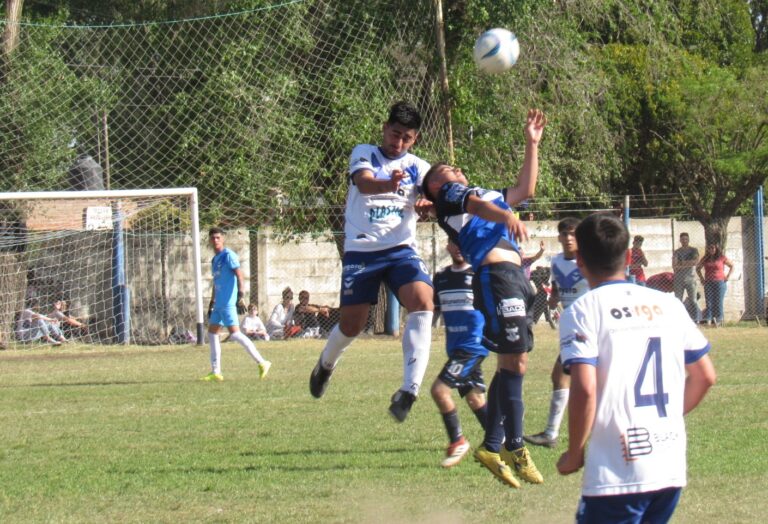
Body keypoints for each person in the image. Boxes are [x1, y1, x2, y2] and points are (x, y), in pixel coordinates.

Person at [556, 212, 717, 524]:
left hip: (619, 469)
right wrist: (664, 418)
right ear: (629, 256)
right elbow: (705, 376)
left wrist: (575, 452)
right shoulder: (668, 304)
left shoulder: (582, 311)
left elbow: (585, 388)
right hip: (668, 467)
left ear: (579, 261)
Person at [421, 107, 547, 488]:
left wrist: (531, 144)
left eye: (456, 170)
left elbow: (525, 191)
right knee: (514, 362)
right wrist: (504, 216)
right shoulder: (451, 196)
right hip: (496, 276)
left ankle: (501, 445)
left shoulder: (484, 193)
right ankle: (504, 445)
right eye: (447, 172)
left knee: (514, 363)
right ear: (436, 188)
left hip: (513, 277)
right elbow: (479, 207)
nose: (456, 172)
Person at [309, 101, 435, 424]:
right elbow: (364, 183)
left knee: (423, 301)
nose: (399, 143)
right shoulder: (364, 152)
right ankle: (326, 364)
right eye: (395, 134)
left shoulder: (419, 166)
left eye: (407, 138)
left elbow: (432, 198)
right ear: (384, 128)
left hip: (400, 250)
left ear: (415, 139)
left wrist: (427, 204)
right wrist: (388, 185)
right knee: (352, 324)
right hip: (363, 250)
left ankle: (410, 389)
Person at [524, 217, 589, 449]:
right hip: (570, 327)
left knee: (563, 377)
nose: (569, 238)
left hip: (587, 327)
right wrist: (553, 299)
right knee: (565, 377)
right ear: (559, 237)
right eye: (565, 234)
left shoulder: (589, 260)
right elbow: (559, 290)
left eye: (573, 234)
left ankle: (552, 434)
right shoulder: (557, 261)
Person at [430, 241, 490, 468]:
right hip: (455, 348)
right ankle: (500, 438)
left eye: (463, 242)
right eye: (455, 242)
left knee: (439, 390)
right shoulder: (442, 277)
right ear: (447, 246)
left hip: (472, 347)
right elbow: (434, 310)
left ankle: (458, 441)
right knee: (475, 397)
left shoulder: (478, 273)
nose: (459, 247)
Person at [201, 228, 271, 382]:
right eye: (213, 238)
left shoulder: (228, 255)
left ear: (223, 239)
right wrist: (212, 302)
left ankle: (262, 362)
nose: (215, 240)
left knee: (235, 334)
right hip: (218, 304)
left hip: (227, 303)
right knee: (212, 334)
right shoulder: (215, 259)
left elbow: (240, 275)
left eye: (218, 237)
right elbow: (216, 282)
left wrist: (240, 296)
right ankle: (216, 371)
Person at [696, 243, 733, 327]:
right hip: (708, 282)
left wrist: (727, 276)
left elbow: (731, 266)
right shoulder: (705, 258)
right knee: (709, 302)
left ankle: (718, 321)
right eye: (710, 248)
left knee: (718, 302)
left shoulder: (721, 257)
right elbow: (698, 268)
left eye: (713, 248)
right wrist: (701, 278)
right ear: (707, 249)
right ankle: (708, 320)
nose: (711, 250)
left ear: (716, 249)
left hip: (720, 282)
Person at [673, 233, 700, 321]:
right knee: (678, 300)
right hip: (679, 279)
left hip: (690, 278)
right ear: (680, 240)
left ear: (688, 240)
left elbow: (695, 262)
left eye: (686, 239)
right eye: (683, 239)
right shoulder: (677, 251)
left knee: (693, 300)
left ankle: (696, 319)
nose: (684, 241)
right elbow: (674, 265)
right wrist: (687, 264)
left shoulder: (693, 250)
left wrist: (681, 264)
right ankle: (679, 319)